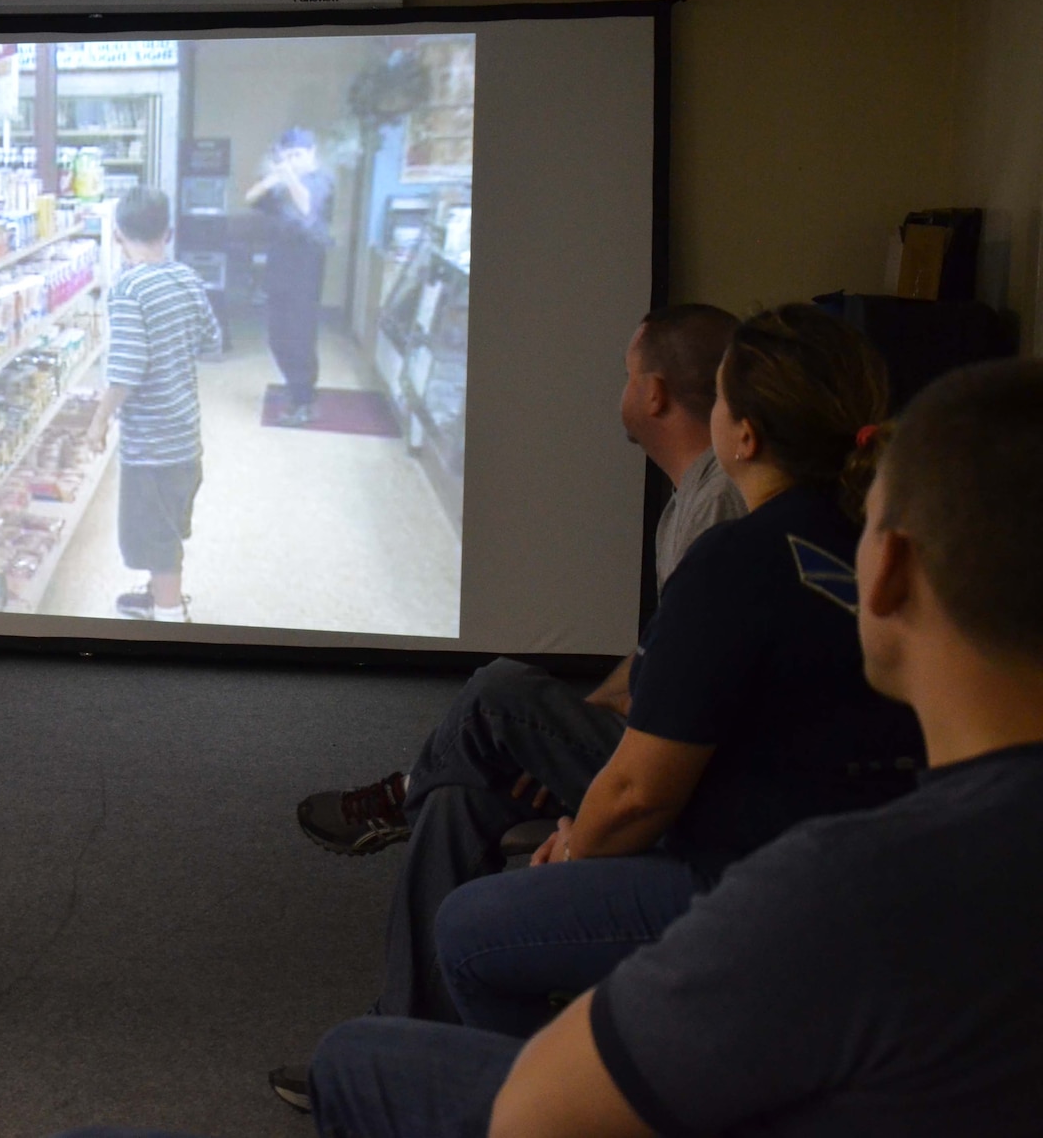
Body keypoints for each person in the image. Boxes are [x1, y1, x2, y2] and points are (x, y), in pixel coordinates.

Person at [53, 354, 1043, 1138]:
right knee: (456, 810)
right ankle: (423, 815)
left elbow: (545, 1105)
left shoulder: (845, 884)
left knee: (389, 1014)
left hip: (706, 858)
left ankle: (413, 813)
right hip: (728, 873)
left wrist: (586, 830)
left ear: (891, 571)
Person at [431, 304, 924, 1037]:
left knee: (472, 930)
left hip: (750, 885)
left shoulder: (736, 561)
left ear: (744, 434)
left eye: (720, 398)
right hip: (879, 882)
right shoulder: (890, 548)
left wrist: (574, 849)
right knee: (460, 808)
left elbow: (638, 794)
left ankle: (568, 1100)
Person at [285, 305, 744, 1074]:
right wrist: (554, 735)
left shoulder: (718, 511)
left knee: (498, 687)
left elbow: (685, 710)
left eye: (628, 375)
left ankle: (404, 789)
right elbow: (651, 664)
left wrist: (572, 795)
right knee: (459, 802)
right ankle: (400, 1040)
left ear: (656, 395)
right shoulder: (691, 501)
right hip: (652, 750)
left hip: (686, 787)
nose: (621, 390)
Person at [87, 188, 221, 624]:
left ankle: (168, 617)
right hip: (185, 438)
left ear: (117, 236)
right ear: (170, 232)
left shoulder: (128, 290)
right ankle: (159, 595)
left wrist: (98, 419)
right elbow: (211, 340)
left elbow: (126, 370)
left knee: (155, 537)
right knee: (165, 528)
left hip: (151, 447)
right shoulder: (186, 278)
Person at [244, 128, 332, 426]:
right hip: (280, 266)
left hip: (306, 269)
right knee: (277, 335)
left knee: (300, 336)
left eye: (299, 154)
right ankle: (295, 389)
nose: (293, 160)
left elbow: (307, 207)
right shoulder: (283, 184)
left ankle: (305, 401)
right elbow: (251, 197)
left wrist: (290, 175)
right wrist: (275, 174)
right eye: (289, 154)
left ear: (312, 154)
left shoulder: (320, 180)